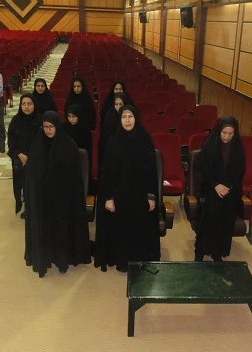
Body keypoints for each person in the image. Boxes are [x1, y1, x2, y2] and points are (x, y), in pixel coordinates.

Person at [24, 111, 91, 278]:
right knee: (44, 228)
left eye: (51, 127)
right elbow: (31, 174)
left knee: (61, 229)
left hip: (63, 198)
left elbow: (74, 177)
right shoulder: (37, 145)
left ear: (57, 127)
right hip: (43, 198)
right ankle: (45, 259)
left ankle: (62, 260)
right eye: (45, 127)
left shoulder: (68, 146)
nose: (48, 130)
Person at [94, 105, 161, 273]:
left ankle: (138, 261)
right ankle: (122, 261)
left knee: (139, 229)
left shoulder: (145, 139)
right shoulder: (113, 140)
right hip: (119, 195)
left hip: (140, 195)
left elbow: (151, 171)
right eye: (124, 117)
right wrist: (108, 197)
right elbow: (107, 173)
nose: (127, 120)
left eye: (130, 116)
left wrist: (151, 196)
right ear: (120, 119)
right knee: (121, 230)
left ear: (136, 118)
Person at [194, 116, 245, 262]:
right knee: (207, 221)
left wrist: (228, 187)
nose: (227, 137)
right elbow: (203, 170)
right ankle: (200, 252)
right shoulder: (209, 146)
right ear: (219, 131)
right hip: (210, 189)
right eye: (224, 133)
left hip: (230, 191)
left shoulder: (238, 149)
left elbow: (239, 172)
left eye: (230, 134)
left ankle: (217, 252)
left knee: (224, 223)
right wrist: (216, 185)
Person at [7, 94, 40, 216]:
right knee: (23, 181)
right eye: (24, 104)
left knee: (34, 184)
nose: (26, 107)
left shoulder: (40, 121)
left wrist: (31, 157)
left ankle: (34, 207)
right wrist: (19, 154)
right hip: (20, 157)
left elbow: (42, 142)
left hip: (36, 157)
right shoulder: (15, 121)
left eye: (29, 104)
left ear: (34, 105)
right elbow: (11, 141)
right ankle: (26, 205)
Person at [98, 92, 133, 176]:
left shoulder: (131, 119)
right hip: (112, 156)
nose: (118, 107)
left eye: (120, 104)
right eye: (116, 104)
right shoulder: (109, 118)